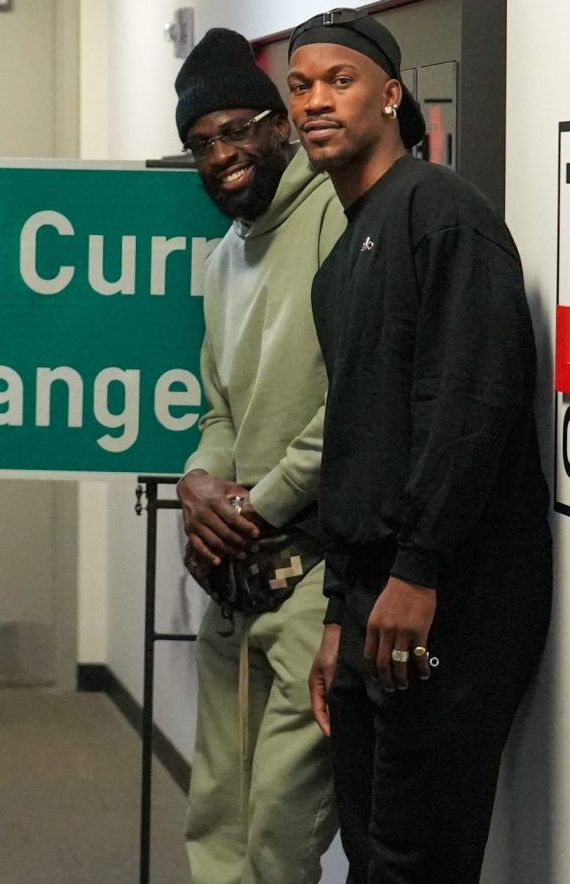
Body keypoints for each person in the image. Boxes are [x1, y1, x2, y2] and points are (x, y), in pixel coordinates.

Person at [289, 10, 551, 882]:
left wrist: (418, 568)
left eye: (340, 81)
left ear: (392, 96)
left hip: (450, 595)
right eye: (300, 86)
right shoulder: (341, 262)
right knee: (371, 854)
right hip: (375, 596)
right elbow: (357, 448)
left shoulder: (441, 214)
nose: (315, 102)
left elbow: (469, 404)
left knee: (415, 863)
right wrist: (338, 612)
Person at [172, 28, 344, 884]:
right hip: (236, 575)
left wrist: (253, 504)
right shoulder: (220, 260)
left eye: (236, 130)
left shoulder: (340, 218)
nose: (221, 156)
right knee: (217, 818)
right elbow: (220, 411)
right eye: (201, 143)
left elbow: (354, 407)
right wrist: (199, 482)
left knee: (280, 828)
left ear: (280, 125)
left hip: (317, 573)